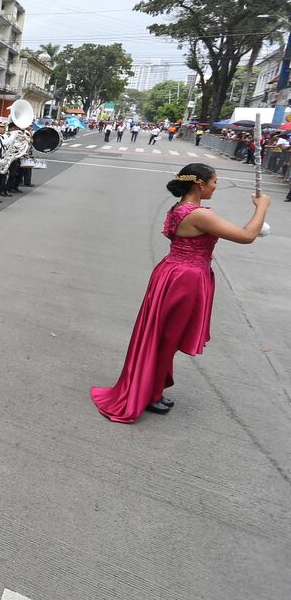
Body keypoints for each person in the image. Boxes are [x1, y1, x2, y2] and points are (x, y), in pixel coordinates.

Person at [91, 165, 271, 422]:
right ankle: (149, 393)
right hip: (184, 279)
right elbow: (246, 236)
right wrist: (261, 207)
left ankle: (151, 386)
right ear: (199, 184)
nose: (215, 187)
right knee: (167, 339)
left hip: (174, 274)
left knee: (164, 337)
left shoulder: (179, 207)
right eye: (214, 182)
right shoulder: (197, 214)